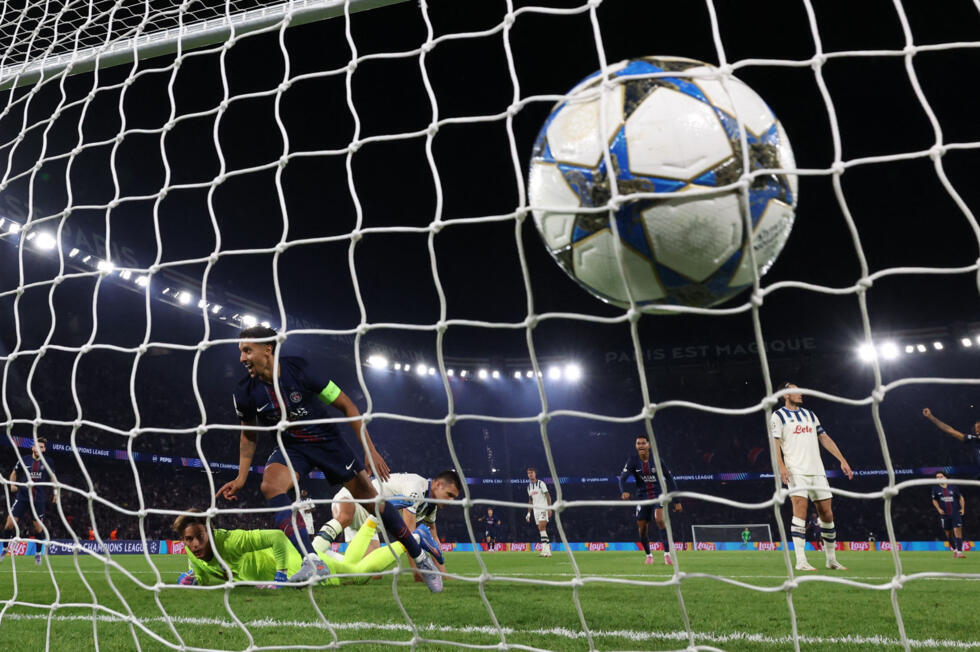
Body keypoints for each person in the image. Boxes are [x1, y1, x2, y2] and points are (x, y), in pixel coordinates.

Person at [215, 326, 442, 592]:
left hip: (328, 443)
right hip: (293, 448)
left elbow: (348, 406)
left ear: (268, 350)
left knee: (372, 503)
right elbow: (248, 436)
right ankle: (311, 560)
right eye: (240, 352)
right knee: (270, 486)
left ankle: (419, 556)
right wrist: (241, 477)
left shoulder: (300, 371)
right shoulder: (245, 391)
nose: (242, 358)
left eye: (246, 351)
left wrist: (370, 450)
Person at [173, 509, 409, 587]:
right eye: (189, 539)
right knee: (349, 564)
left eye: (199, 537)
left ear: (210, 532)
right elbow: (205, 574)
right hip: (301, 555)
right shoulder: (193, 553)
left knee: (356, 576)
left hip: (298, 566)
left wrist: (281, 573)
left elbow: (277, 536)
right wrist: (194, 580)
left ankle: (412, 540)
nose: (194, 545)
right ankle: (371, 519)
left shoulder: (232, 541)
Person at [315, 470, 461, 579]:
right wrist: (418, 575)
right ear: (438, 484)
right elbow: (408, 535)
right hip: (354, 499)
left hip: (369, 525)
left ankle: (326, 558)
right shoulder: (416, 488)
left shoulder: (431, 507)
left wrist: (444, 575)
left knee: (370, 575)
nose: (451, 501)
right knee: (345, 517)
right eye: (449, 495)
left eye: (454, 498)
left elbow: (434, 540)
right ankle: (311, 551)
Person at [771, 382, 853, 572]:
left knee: (827, 514)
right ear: (785, 394)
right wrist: (781, 466)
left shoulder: (810, 415)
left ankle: (831, 560)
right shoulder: (778, 416)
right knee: (800, 508)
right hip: (795, 470)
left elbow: (824, 437)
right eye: (795, 391)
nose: (800, 394)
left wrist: (841, 459)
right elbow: (774, 443)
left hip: (817, 470)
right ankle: (801, 561)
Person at [618, 434, 681, 565]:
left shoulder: (657, 460)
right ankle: (649, 555)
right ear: (636, 446)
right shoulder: (632, 460)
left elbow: (670, 479)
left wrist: (677, 501)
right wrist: (623, 491)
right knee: (642, 529)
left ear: (649, 445)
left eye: (643, 443)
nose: (640, 446)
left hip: (658, 494)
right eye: (638, 443)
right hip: (642, 497)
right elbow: (622, 478)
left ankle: (667, 554)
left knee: (659, 519)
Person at [1, 438, 55, 565]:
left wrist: (55, 494)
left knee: (38, 529)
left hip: (38, 500)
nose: (39, 449)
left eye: (42, 447)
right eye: (37, 446)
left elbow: (53, 478)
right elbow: (14, 473)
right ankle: (4, 550)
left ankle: (37, 555)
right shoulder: (24, 459)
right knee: (9, 524)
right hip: (23, 497)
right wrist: (12, 485)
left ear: (44, 449)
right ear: (33, 448)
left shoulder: (48, 462)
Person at [931, 472, 966, 558]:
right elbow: (934, 500)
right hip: (945, 515)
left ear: (945, 477)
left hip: (955, 513)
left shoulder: (953, 487)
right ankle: (954, 549)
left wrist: (962, 508)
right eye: (937, 477)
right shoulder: (935, 489)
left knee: (958, 532)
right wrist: (939, 509)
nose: (939, 478)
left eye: (941, 476)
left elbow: (961, 498)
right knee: (948, 534)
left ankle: (959, 552)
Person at [525, 467, 552, 557]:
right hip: (535, 511)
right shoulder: (529, 487)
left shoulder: (541, 483)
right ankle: (545, 550)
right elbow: (530, 500)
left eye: (531, 472)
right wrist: (529, 513)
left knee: (541, 527)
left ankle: (547, 550)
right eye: (528, 473)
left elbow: (548, 495)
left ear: (535, 473)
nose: (530, 474)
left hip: (543, 508)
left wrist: (549, 508)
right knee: (541, 530)